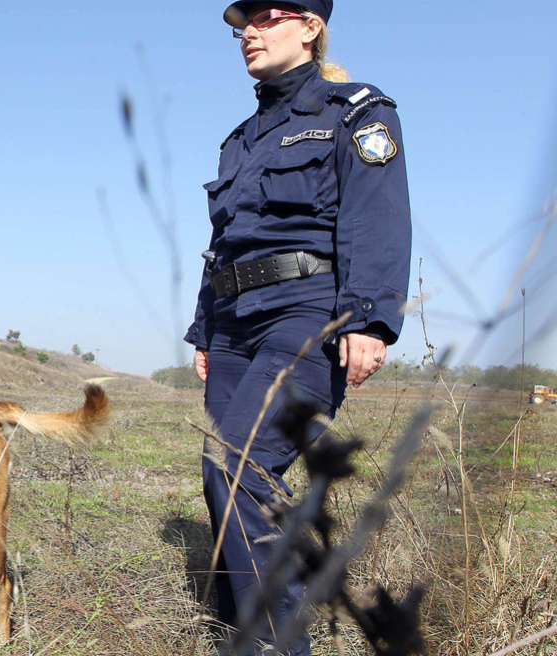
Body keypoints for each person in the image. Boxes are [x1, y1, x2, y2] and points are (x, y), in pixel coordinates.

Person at [184, 1, 411, 653]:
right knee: (219, 471)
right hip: (233, 325)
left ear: (311, 26)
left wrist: (369, 319)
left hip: (309, 313)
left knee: (241, 468)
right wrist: (205, 329)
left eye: (268, 16)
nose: (249, 31)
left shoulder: (357, 111)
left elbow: (378, 217)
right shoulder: (240, 139)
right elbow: (224, 241)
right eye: (243, 22)